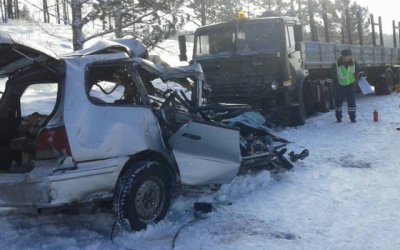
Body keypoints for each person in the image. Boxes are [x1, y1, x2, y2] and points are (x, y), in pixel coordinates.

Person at [329, 49, 364, 123]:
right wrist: (327, 85)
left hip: (350, 86)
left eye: (349, 56)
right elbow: (330, 75)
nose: (348, 57)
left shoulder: (354, 63)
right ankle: (338, 118)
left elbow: (358, 71)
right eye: (346, 56)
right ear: (342, 56)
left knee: (352, 103)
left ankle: (353, 118)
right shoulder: (336, 64)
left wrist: (361, 75)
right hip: (340, 86)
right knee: (338, 103)